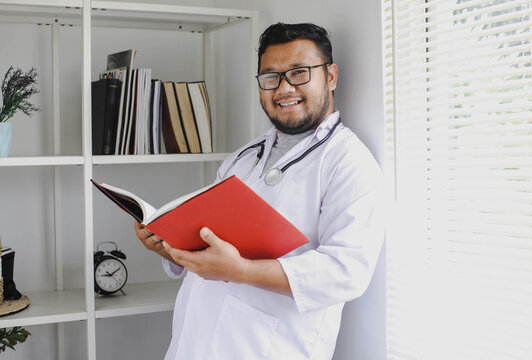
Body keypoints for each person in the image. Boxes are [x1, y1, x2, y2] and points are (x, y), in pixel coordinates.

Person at [135, 22, 383, 360]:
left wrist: (241, 272)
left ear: (331, 76)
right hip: (192, 344)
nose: (283, 89)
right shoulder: (244, 156)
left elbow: (346, 271)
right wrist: (169, 245)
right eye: (271, 77)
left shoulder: (348, 162)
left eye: (299, 72)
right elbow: (211, 242)